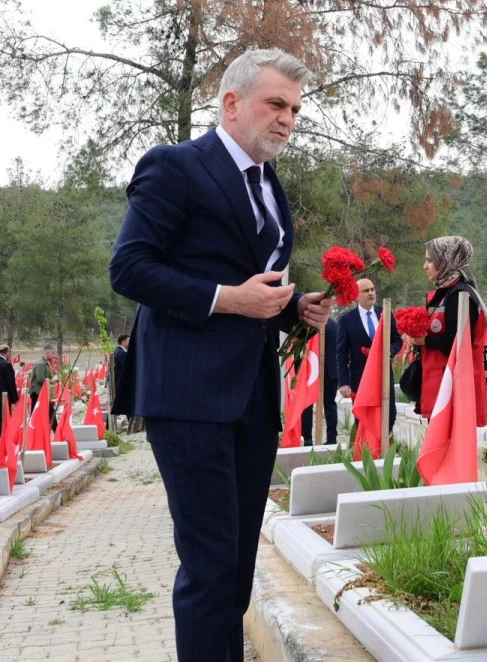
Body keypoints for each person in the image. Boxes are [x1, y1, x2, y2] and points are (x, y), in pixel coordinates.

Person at [108, 49, 333, 662]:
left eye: (294, 109)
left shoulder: (269, 183)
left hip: (253, 397)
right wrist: (228, 300)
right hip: (189, 394)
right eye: (276, 104)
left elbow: (255, 284)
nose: (287, 119)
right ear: (231, 103)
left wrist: (294, 310)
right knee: (209, 568)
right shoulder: (177, 167)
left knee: (234, 571)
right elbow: (128, 267)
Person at [409, 236, 487, 426]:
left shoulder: (460, 295)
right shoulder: (445, 292)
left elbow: (459, 343)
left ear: (446, 261)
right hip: (440, 384)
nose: (425, 266)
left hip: (453, 388)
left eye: (429, 260)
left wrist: (425, 340)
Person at [335, 279, 401, 428]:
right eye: (366, 291)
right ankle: (365, 450)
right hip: (360, 377)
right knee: (364, 420)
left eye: (372, 289)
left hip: (383, 375)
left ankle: (385, 449)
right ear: (356, 295)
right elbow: (341, 352)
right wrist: (344, 382)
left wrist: (388, 352)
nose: (371, 293)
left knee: (389, 416)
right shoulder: (346, 320)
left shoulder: (384, 313)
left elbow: (397, 340)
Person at [301, 316, 340, 445]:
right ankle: (332, 438)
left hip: (313, 370)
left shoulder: (311, 323)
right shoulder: (334, 325)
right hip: (332, 370)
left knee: (307, 405)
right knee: (329, 404)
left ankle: (307, 439)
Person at [28, 344, 56, 413]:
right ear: (47, 352)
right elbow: (40, 379)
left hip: (41, 391)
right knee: (40, 412)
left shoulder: (45, 363)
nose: (54, 355)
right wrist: (51, 381)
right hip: (37, 391)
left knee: (39, 412)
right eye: (52, 353)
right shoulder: (41, 364)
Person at [0, 345, 17, 436]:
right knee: (4, 420)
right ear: (6, 353)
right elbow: (11, 384)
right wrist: (15, 399)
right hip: (3, 398)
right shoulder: (6, 365)